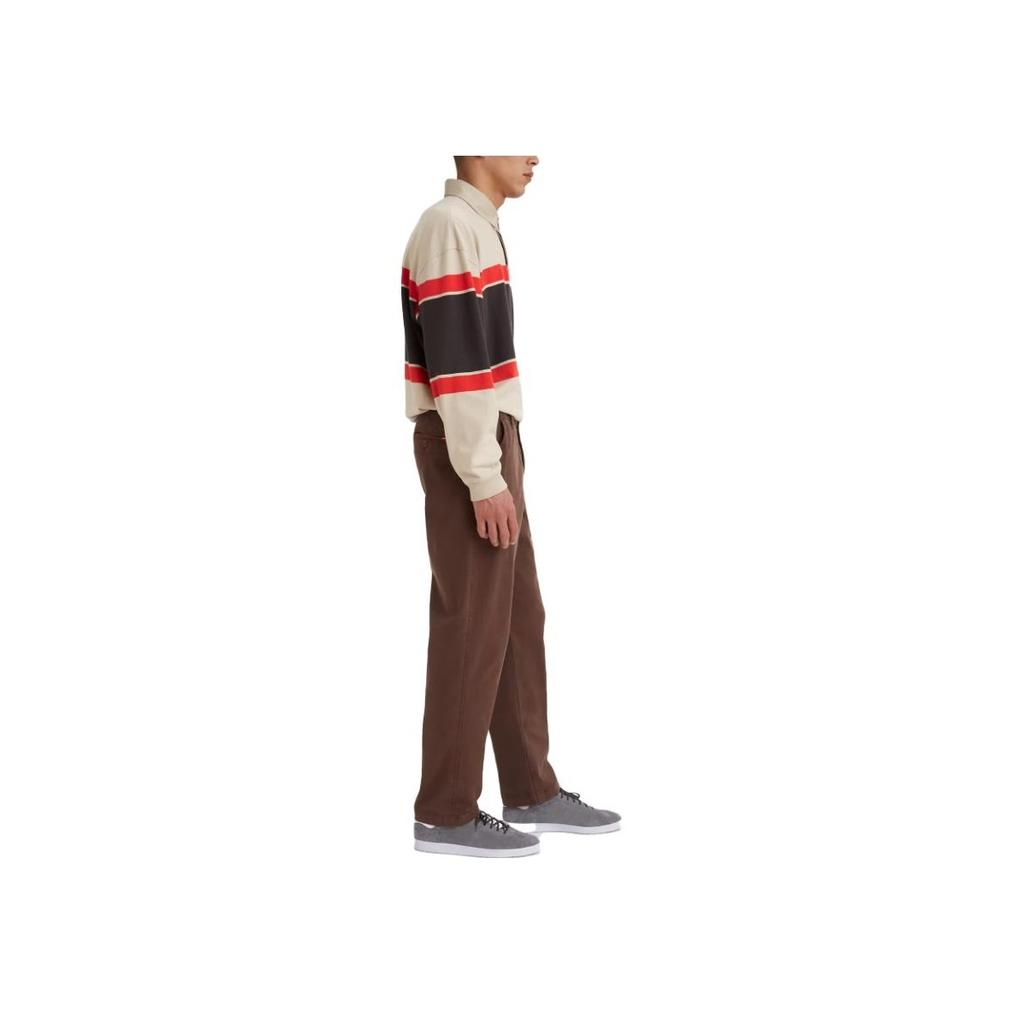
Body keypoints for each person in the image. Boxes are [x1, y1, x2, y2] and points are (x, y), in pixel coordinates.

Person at [400, 156, 622, 857]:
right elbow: (456, 362)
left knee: (517, 618)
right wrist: (483, 473)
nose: (534, 155)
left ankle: (529, 788)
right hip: (470, 441)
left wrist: (498, 459)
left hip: (490, 437)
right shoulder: (449, 226)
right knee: (471, 624)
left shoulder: (477, 226)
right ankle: (445, 813)